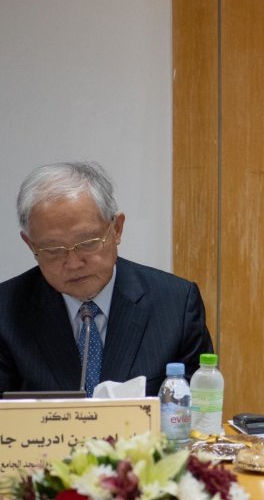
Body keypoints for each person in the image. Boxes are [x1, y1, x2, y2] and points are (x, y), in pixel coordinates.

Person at [0, 162, 213, 396]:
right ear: (30, 244)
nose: (73, 263)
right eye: (53, 249)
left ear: (117, 229)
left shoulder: (176, 304)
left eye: (88, 243)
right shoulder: (6, 311)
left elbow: (195, 415)